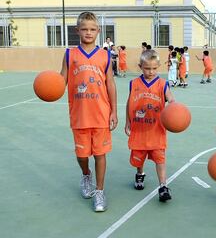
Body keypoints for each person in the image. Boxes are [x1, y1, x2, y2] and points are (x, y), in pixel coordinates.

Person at [60, 12, 118, 212]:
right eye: (84, 29)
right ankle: (86, 175)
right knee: (82, 155)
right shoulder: (70, 54)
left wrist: (114, 112)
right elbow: (61, 81)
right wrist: (49, 87)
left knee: (100, 154)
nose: (88, 32)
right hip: (79, 115)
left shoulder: (105, 55)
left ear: (98, 31)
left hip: (101, 113)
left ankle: (100, 191)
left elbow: (110, 84)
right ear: (77, 31)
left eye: (92, 29)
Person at [124, 49, 175, 202]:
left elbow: (171, 99)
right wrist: (128, 121)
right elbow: (129, 103)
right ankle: (140, 174)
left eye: (154, 68)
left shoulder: (162, 84)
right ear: (140, 66)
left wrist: (174, 107)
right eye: (147, 68)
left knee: (160, 158)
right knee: (139, 159)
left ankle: (163, 186)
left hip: (156, 130)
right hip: (139, 130)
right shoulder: (134, 84)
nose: (151, 71)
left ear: (158, 66)